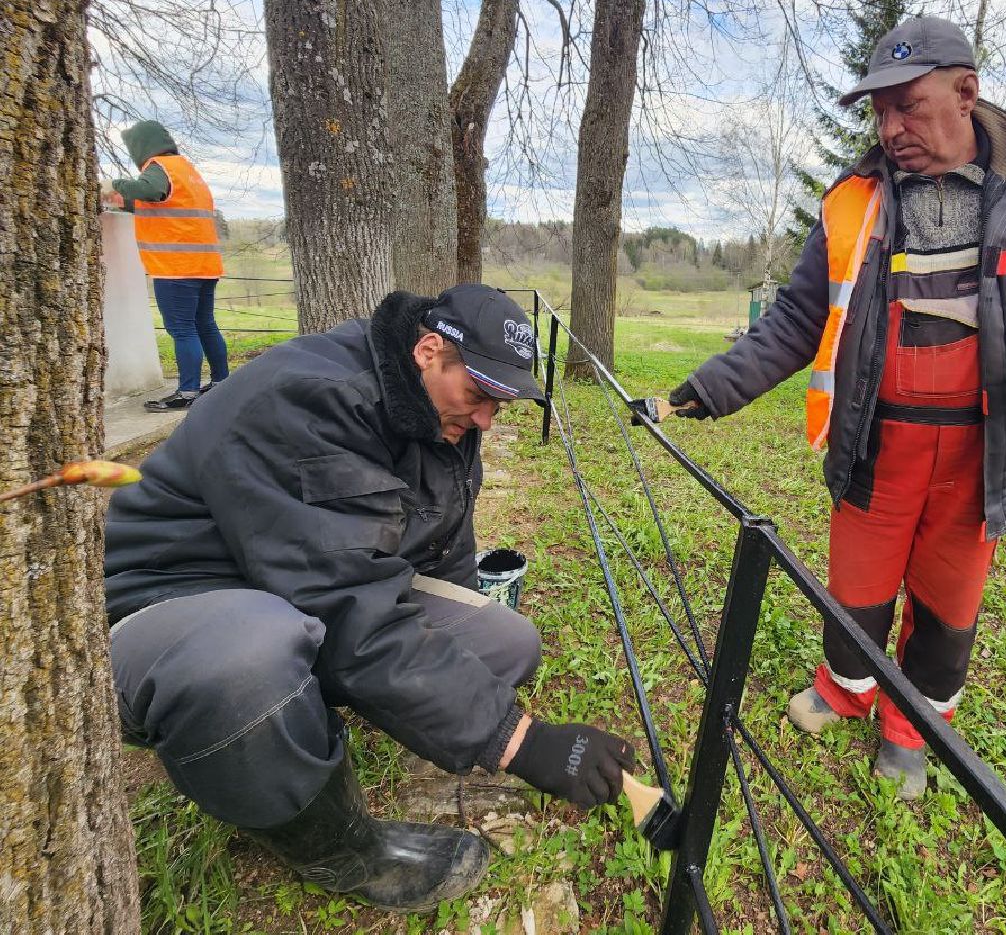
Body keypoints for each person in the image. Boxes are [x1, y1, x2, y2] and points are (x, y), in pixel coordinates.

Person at [668, 18, 1006, 799]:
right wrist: (714, 385)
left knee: (947, 600)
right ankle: (846, 690)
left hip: (985, 450)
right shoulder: (852, 199)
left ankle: (914, 728)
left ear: (966, 91)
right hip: (872, 441)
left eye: (907, 104)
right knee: (854, 588)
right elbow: (797, 318)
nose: (890, 127)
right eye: (879, 111)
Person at [105, 284, 637, 912]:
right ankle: (336, 848)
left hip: (296, 581)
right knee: (254, 656)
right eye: (479, 395)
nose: (488, 419)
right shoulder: (312, 402)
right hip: (177, 598)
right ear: (428, 349)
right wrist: (518, 740)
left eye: (502, 401)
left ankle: (305, 703)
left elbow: (442, 551)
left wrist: (452, 679)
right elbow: (348, 606)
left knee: (503, 644)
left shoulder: (437, 410)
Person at [103, 120, 229, 412]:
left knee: (182, 329)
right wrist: (125, 203)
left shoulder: (158, 167)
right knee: (205, 325)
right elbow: (163, 204)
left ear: (140, 147)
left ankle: (187, 393)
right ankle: (222, 383)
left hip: (176, 267)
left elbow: (150, 191)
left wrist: (114, 186)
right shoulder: (186, 170)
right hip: (204, 265)